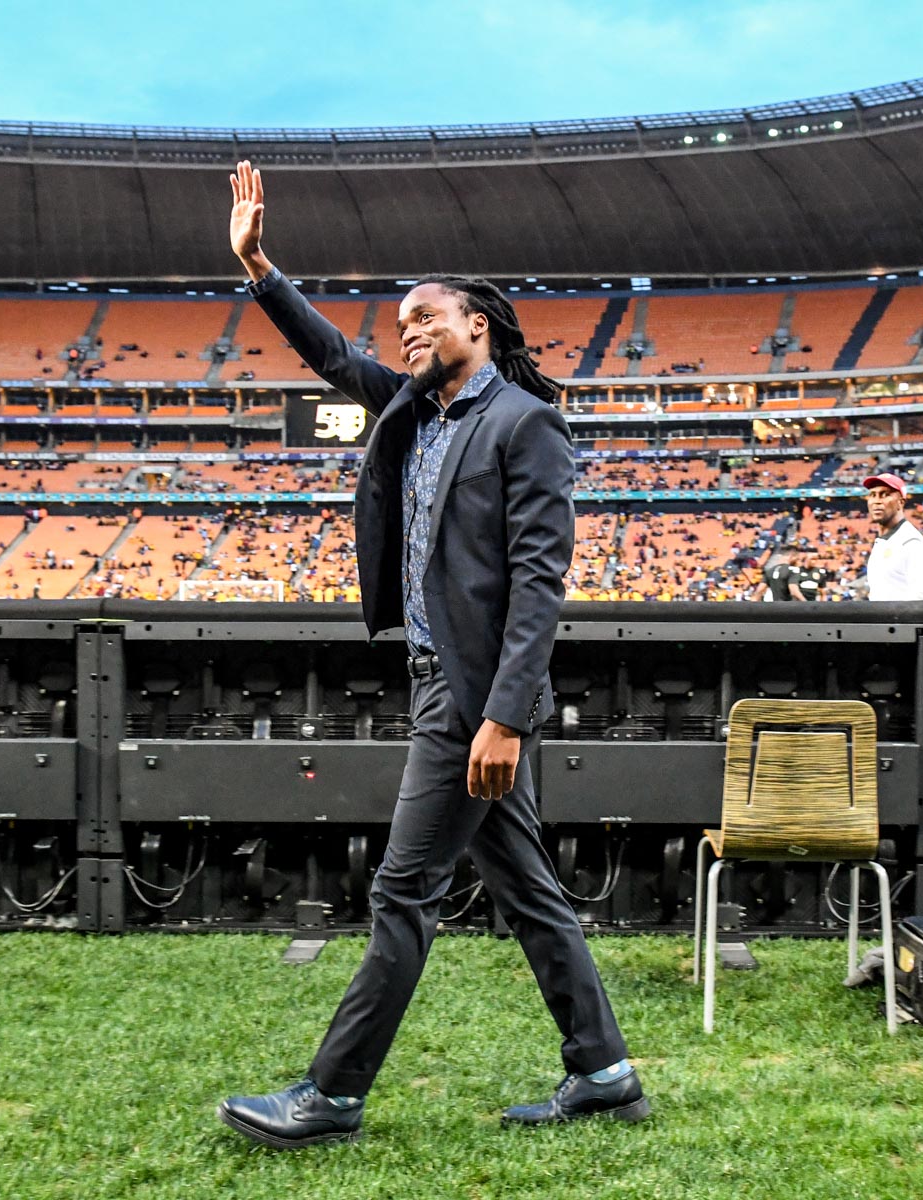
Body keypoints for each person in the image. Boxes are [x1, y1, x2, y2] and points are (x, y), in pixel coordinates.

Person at [217, 162, 641, 1150]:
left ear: (475, 327)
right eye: (400, 325)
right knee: (528, 888)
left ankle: (333, 1094)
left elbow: (542, 582)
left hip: (468, 696)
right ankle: (605, 1071)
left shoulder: (524, 424)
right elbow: (328, 359)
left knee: (404, 889)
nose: (407, 333)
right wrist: (259, 266)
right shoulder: (412, 411)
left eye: (426, 319)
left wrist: (503, 714)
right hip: (436, 681)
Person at [862, 473, 923, 602]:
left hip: (900, 621)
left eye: (885, 494)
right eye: (872, 495)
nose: (876, 501)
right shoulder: (884, 541)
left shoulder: (911, 543)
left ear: (901, 502)